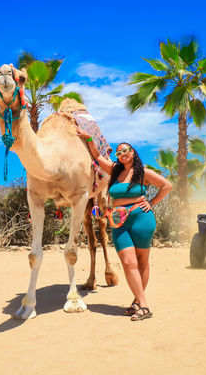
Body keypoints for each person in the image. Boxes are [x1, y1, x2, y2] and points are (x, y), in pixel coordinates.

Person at [76, 127, 172, 321]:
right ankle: (142, 303)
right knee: (128, 262)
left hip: (141, 218)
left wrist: (151, 202)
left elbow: (166, 186)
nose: (121, 155)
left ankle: (139, 303)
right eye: (118, 152)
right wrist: (88, 139)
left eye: (125, 151)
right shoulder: (114, 170)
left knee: (142, 261)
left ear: (133, 153)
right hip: (118, 221)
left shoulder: (142, 172)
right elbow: (96, 156)